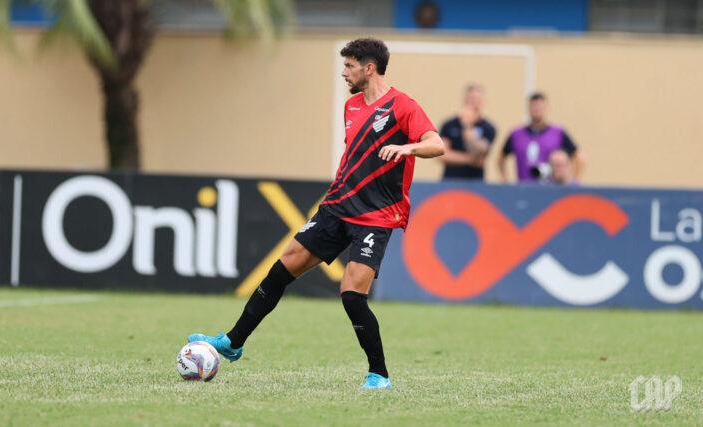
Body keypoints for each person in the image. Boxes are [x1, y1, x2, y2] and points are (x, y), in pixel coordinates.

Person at [188, 38, 445, 390]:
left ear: (369, 68)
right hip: (337, 206)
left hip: (376, 216)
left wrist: (407, 146)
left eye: (350, 66)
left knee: (352, 293)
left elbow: (437, 144)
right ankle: (233, 343)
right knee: (282, 268)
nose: (344, 73)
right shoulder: (352, 106)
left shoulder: (403, 106)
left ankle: (379, 374)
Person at [498, 92, 583, 183]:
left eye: (540, 107)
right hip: (523, 187)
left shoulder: (558, 133)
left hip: (550, 188)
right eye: (534, 107)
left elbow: (579, 157)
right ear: (529, 109)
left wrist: (573, 182)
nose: (537, 110)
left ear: (547, 109)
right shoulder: (516, 134)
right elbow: (501, 158)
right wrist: (505, 180)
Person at [438, 84, 496, 180]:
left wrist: (468, 128)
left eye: (476, 99)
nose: (472, 103)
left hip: (475, 182)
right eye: (470, 99)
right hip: (450, 181)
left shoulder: (488, 127)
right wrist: (470, 160)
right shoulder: (449, 125)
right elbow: (442, 154)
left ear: (482, 103)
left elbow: (481, 151)